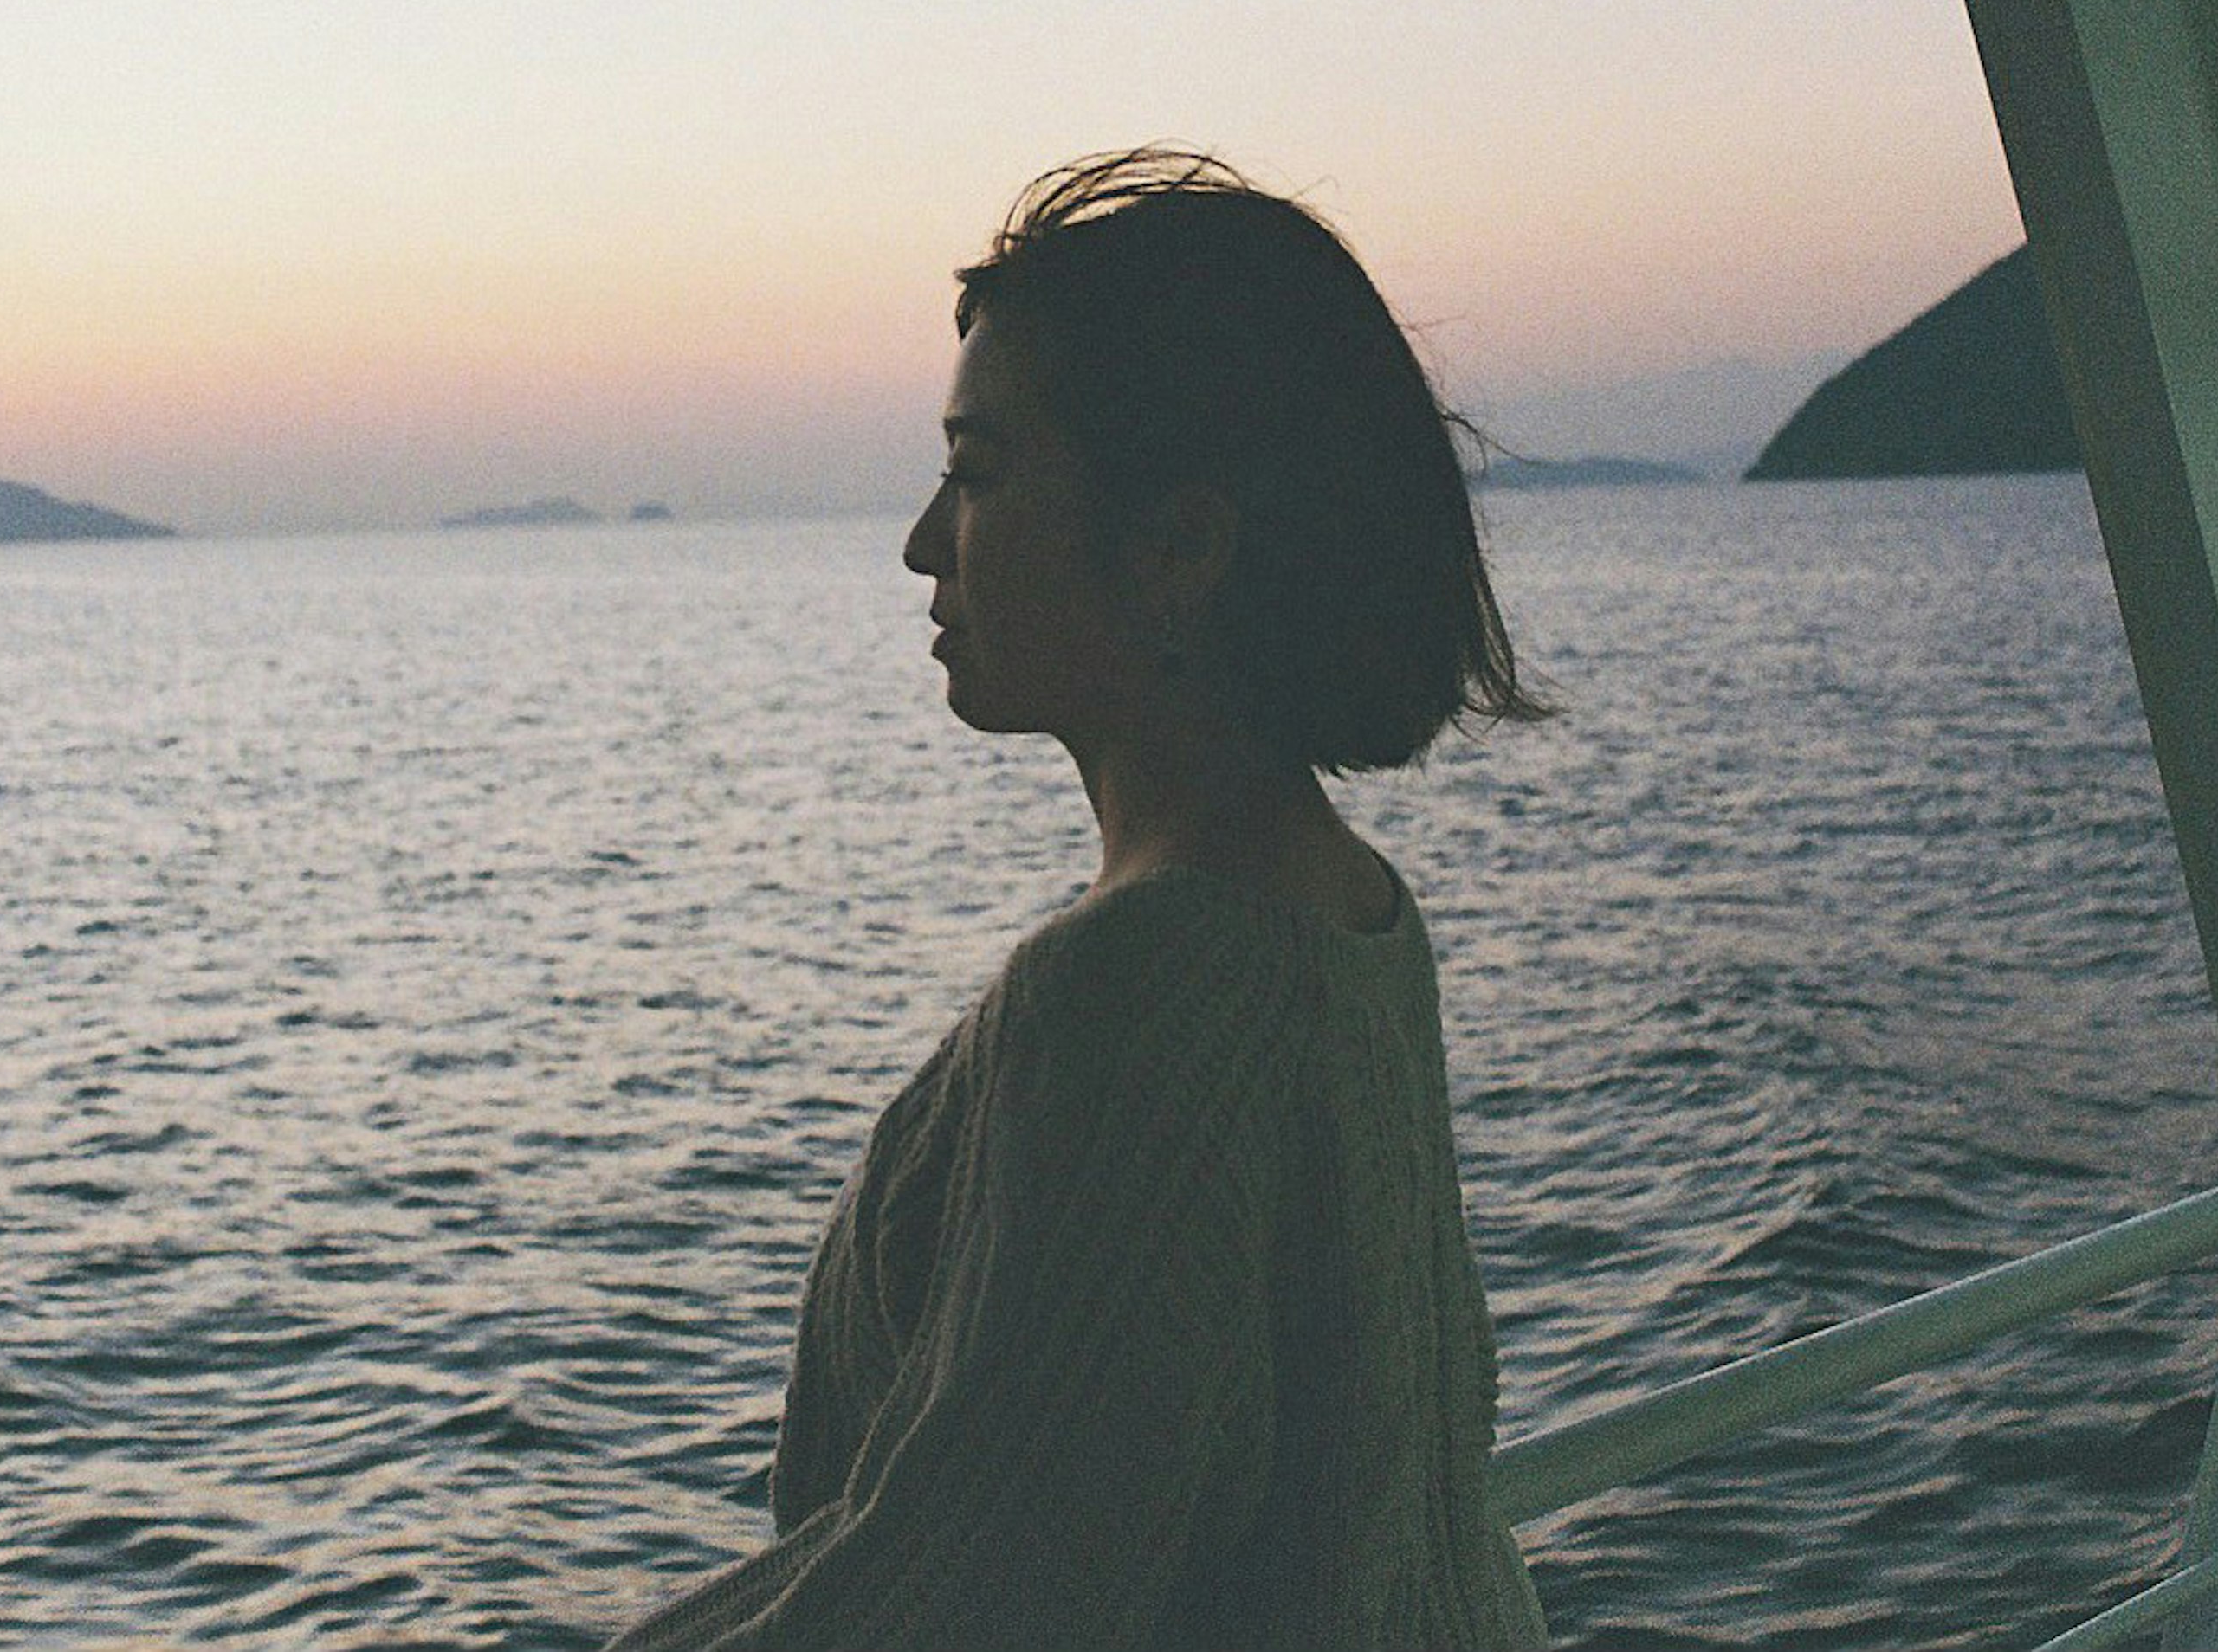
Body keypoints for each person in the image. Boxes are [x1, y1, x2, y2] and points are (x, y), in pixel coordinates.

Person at [608, 148, 1553, 1651]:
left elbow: (974, 1600)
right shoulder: (1349, 914)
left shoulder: (1149, 988)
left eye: (979, 473)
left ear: (1179, 542)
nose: (926, 543)